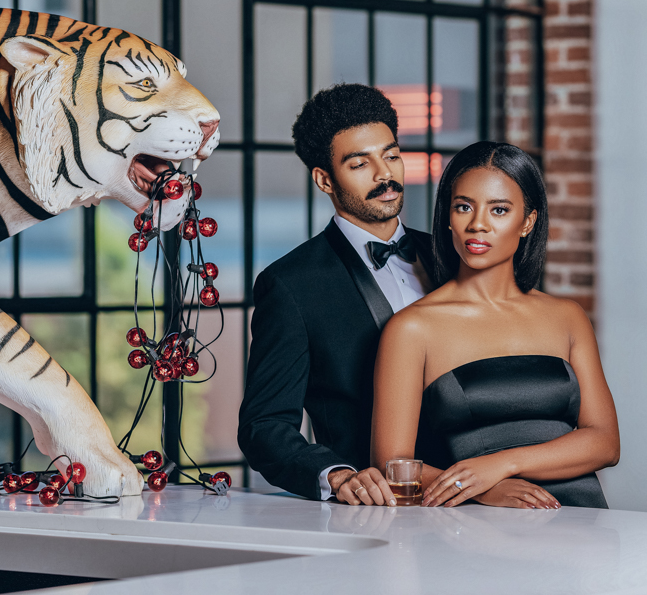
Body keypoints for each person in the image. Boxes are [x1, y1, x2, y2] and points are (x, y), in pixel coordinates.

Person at [372, 141, 619, 509]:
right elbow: (392, 466)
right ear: (448, 217)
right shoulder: (412, 328)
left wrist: (502, 466)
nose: (478, 225)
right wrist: (483, 490)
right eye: (463, 207)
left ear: (528, 222)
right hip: (479, 527)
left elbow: (605, 442)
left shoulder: (567, 317)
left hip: (584, 522)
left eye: (499, 210)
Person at [237, 83, 433, 502]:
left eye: (392, 155)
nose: (386, 175)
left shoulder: (450, 257)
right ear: (325, 179)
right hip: (377, 509)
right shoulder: (291, 285)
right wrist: (338, 477)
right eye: (360, 164)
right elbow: (264, 426)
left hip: (485, 495)